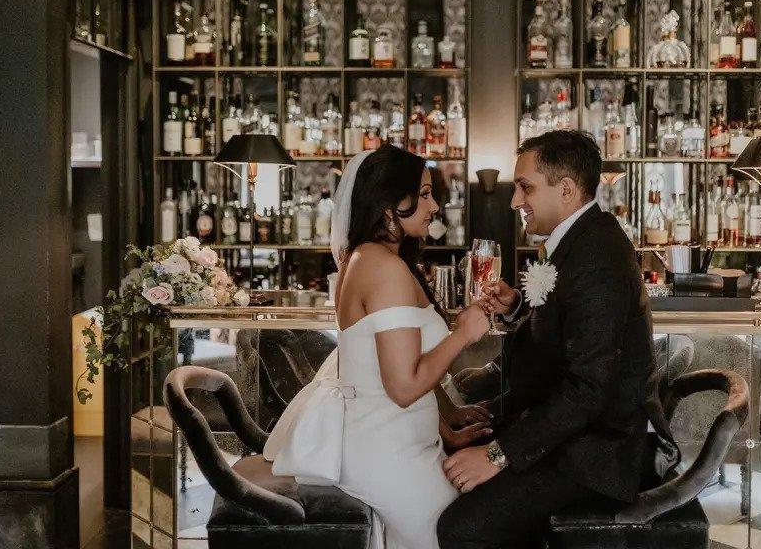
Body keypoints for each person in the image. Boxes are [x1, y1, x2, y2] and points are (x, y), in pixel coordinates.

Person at [437, 130, 680, 549]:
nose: (515, 202)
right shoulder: (577, 240)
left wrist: (497, 456)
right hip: (574, 428)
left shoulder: (597, 256)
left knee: (460, 529)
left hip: (601, 450)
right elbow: (562, 337)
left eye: (525, 187)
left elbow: (588, 389)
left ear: (565, 189)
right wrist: (517, 308)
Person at [263, 144, 492, 549]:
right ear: (390, 204)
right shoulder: (384, 269)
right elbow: (402, 387)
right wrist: (464, 333)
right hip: (389, 455)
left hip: (404, 443)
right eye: (423, 194)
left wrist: (448, 421)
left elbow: (387, 365)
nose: (435, 205)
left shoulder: (365, 258)